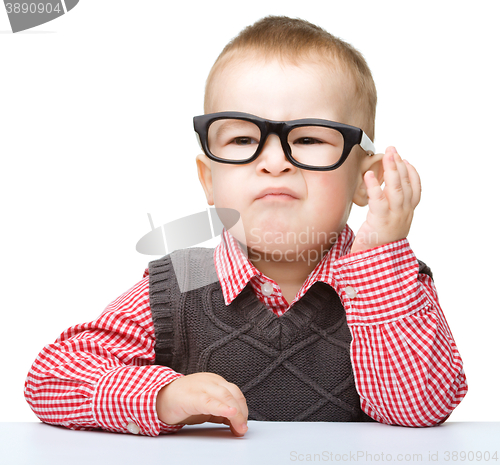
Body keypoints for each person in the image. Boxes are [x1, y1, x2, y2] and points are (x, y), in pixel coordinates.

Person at [24, 16, 467, 437]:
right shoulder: (182, 282)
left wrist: (379, 257)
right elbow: (52, 376)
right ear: (209, 179)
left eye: (309, 139)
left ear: (365, 180)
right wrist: (159, 396)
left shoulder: (392, 283)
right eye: (242, 140)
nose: (274, 162)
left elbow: (419, 409)